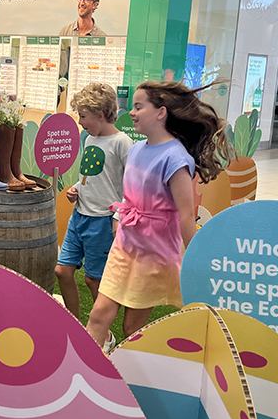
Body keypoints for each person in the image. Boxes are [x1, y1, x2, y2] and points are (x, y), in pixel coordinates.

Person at [86, 80, 232, 350]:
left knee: (133, 329)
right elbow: (129, 196)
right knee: (98, 315)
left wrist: (195, 259)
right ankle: (86, 368)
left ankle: (132, 373)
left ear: (161, 113)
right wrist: (119, 218)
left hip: (154, 254)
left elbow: (186, 216)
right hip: (124, 247)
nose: (131, 112)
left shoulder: (176, 158)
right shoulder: (136, 149)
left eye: (139, 106)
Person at [55, 83, 133, 326]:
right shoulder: (89, 139)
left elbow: (133, 185)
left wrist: (118, 216)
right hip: (79, 215)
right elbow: (89, 176)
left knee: (93, 280)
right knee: (62, 271)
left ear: (100, 115)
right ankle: (75, 325)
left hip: (102, 221)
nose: (80, 122)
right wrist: (76, 189)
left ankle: (102, 331)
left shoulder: (123, 142)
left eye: (83, 116)